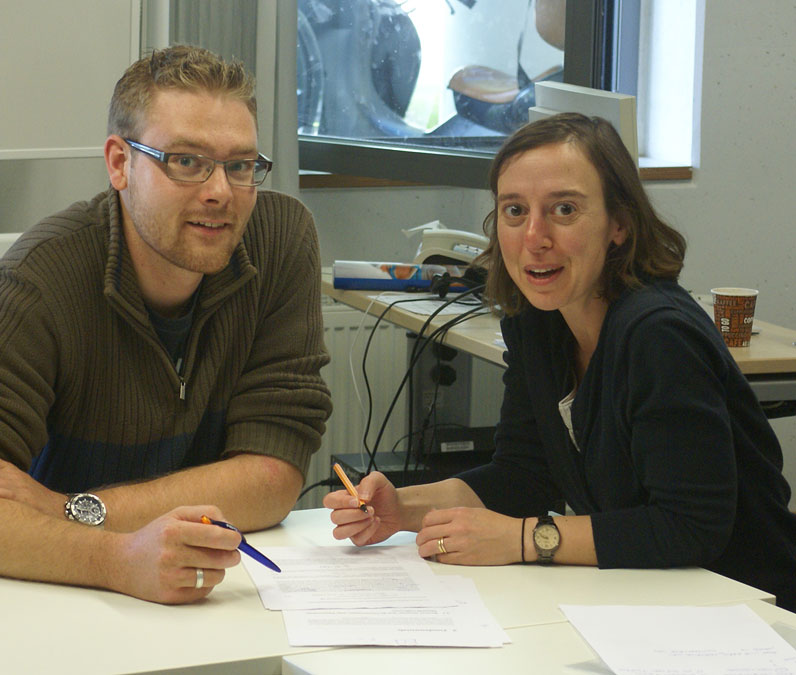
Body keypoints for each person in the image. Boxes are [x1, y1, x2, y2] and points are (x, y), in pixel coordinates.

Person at [0, 46, 332, 604]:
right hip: (60, 600)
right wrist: (119, 560)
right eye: (186, 161)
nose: (221, 191)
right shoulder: (44, 274)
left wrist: (68, 507)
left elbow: (273, 476)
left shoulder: (279, 241)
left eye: (241, 166)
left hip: (215, 596)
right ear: (120, 164)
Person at [324, 112, 796, 610]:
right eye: (514, 211)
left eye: (564, 209)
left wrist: (526, 539)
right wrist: (403, 507)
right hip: (649, 599)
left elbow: (690, 527)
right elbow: (524, 476)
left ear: (620, 224)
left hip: (747, 610)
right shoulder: (539, 322)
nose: (534, 237)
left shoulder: (659, 335)